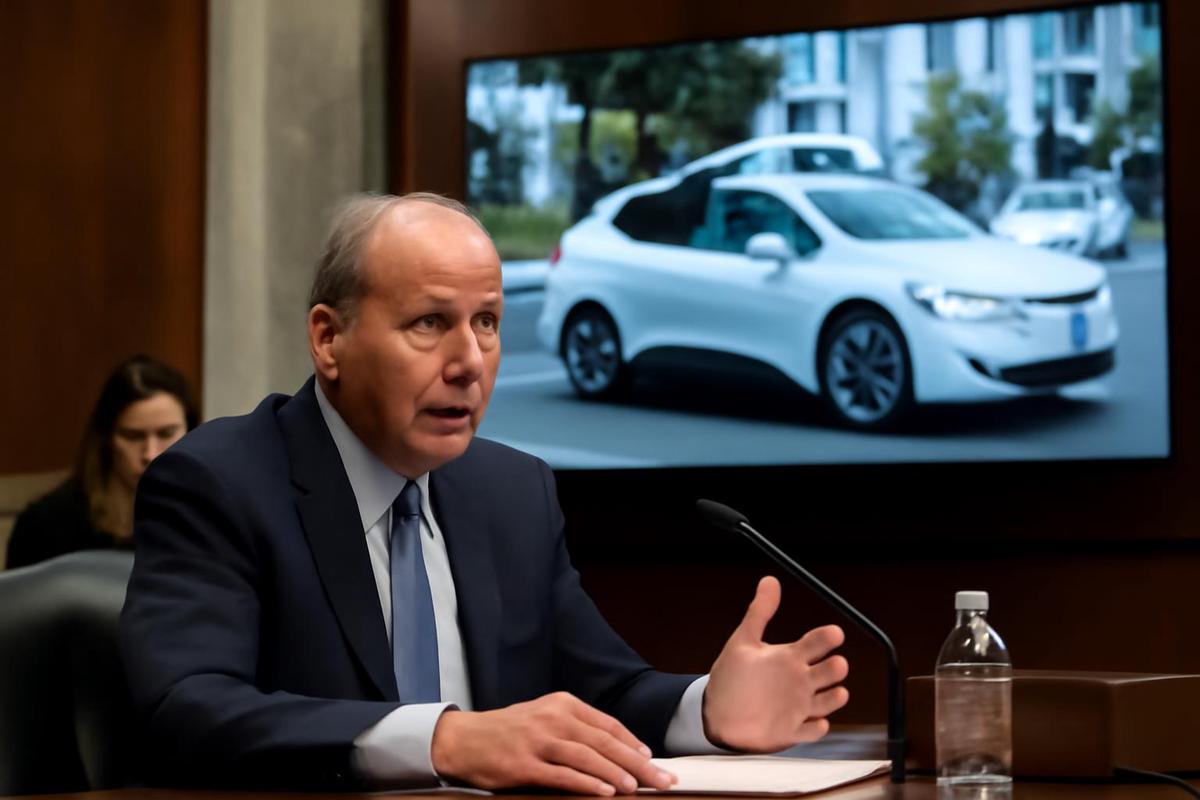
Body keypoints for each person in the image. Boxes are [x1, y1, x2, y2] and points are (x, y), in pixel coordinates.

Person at [119, 194, 850, 792]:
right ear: (328, 339)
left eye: (488, 323)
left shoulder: (511, 491)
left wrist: (708, 710)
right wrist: (444, 739)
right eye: (430, 323)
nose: (469, 361)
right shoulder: (220, 482)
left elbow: (603, 693)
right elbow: (185, 708)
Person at [7, 355, 197, 569]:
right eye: (132, 436)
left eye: (166, 433)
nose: (150, 454)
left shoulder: (209, 516)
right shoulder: (44, 524)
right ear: (106, 438)